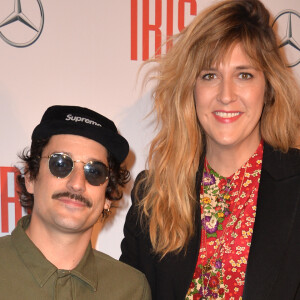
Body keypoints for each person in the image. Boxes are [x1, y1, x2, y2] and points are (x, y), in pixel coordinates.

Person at [120, 0, 300, 299]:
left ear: (268, 88)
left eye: (244, 75)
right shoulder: (152, 194)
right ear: (190, 89)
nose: (226, 95)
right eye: (209, 76)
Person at [0, 105, 151, 300]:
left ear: (108, 196)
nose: (77, 184)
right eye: (61, 164)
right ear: (30, 177)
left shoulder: (131, 289)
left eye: (95, 171)